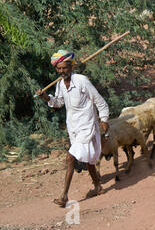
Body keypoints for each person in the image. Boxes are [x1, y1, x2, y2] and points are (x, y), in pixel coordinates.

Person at [36, 50, 110, 207]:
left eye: (65, 68)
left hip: (87, 125)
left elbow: (99, 101)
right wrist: (46, 98)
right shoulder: (60, 84)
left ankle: (64, 196)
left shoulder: (82, 81)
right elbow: (59, 103)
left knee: (70, 158)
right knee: (89, 160)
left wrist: (104, 119)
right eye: (59, 69)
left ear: (71, 67)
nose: (62, 71)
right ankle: (98, 187)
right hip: (73, 127)